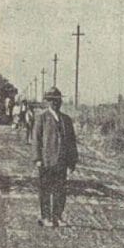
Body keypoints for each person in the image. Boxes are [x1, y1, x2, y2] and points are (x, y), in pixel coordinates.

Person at [33, 87, 79, 227]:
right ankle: (46, 217)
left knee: (60, 190)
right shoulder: (42, 118)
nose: (55, 103)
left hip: (62, 161)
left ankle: (57, 217)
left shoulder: (66, 120)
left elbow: (72, 142)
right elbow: (36, 139)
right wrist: (38, 159)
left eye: (58, 101)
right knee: (45, 190)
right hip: (46, 160)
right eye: (52, 101)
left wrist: (72, 161)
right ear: (48, 102)